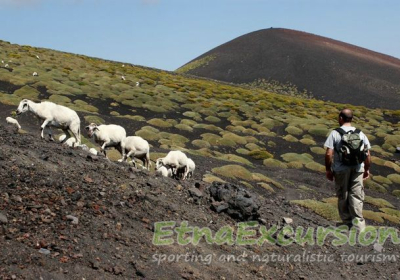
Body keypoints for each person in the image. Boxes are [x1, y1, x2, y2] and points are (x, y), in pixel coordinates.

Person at [324, 108, 371, 231]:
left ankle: (346, 223)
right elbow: (368, 154)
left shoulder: (335, 133)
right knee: (356, 195)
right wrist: (366, 169)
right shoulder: (360, 133)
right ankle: (359, 226)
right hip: (357, 168)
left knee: (343, 194)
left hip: (341, 169)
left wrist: (328, 170)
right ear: (351, 119)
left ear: (340, 118)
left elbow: (329, 154)